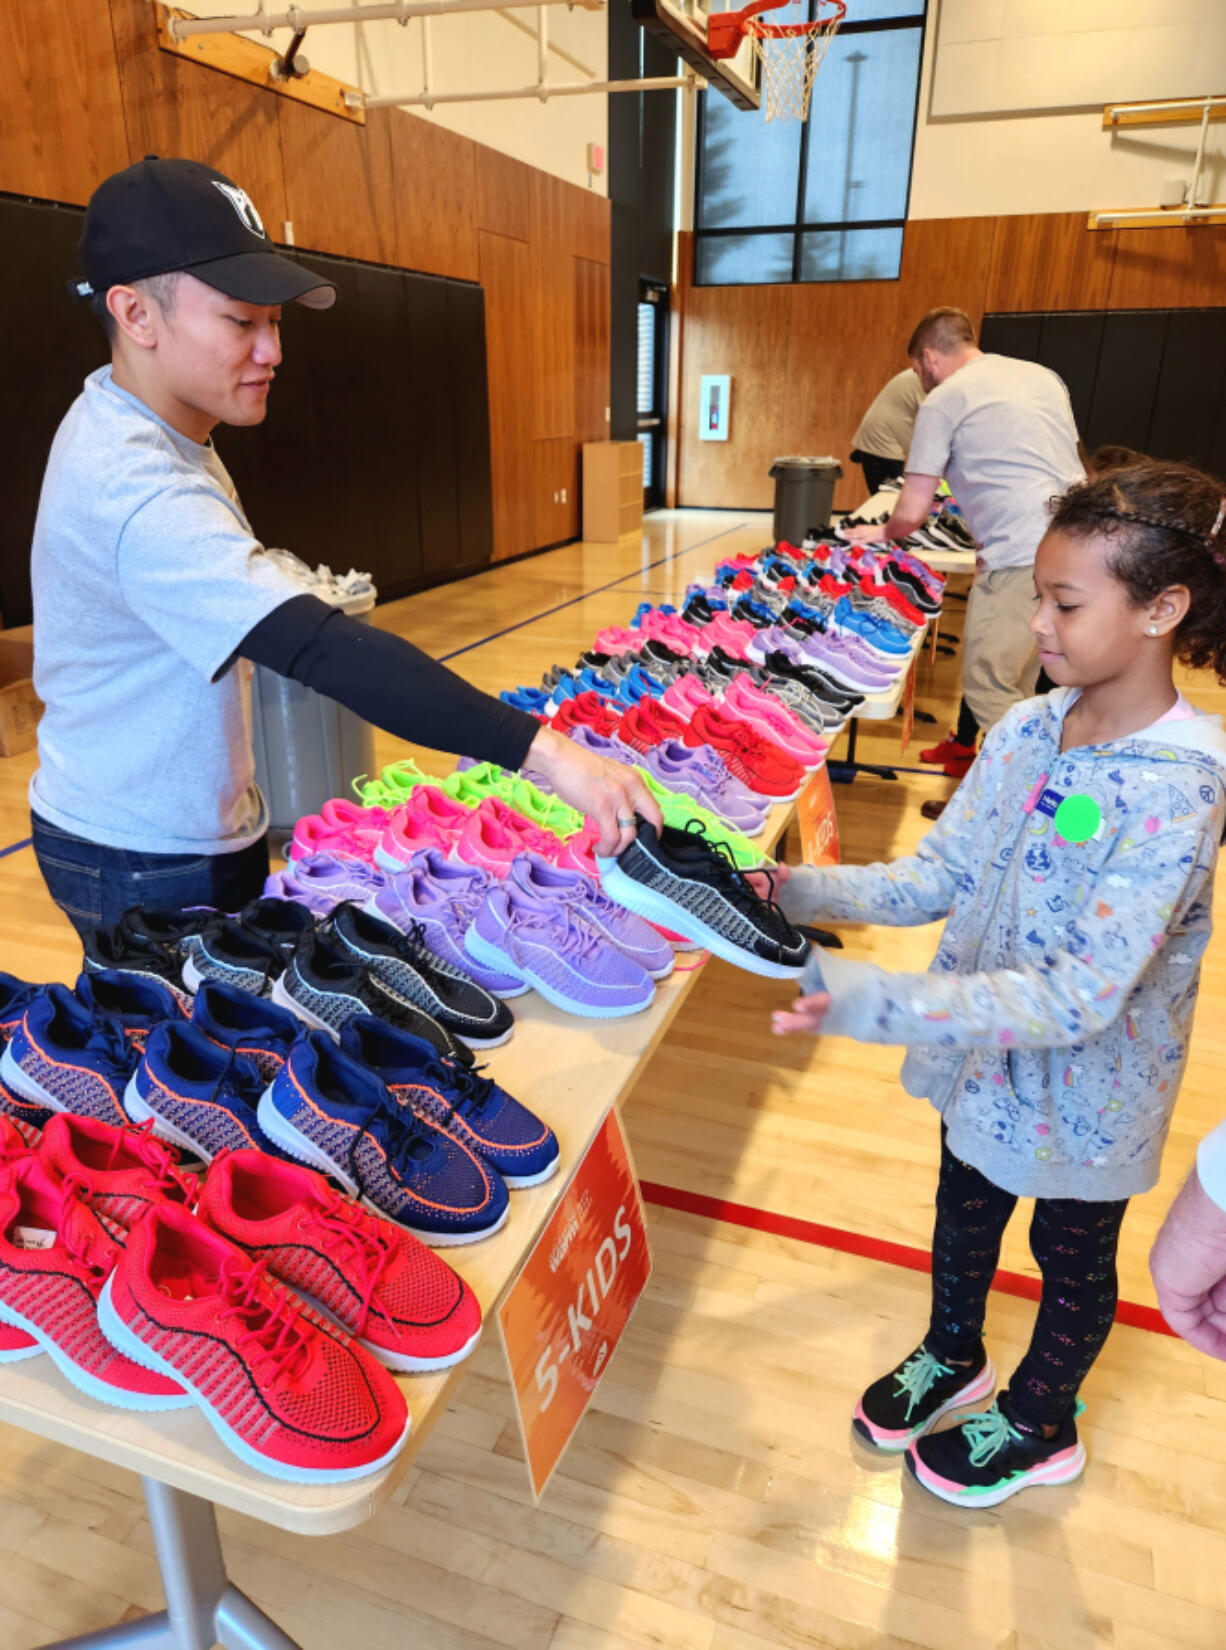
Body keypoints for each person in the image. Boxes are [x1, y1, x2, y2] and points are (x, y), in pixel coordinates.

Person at [30, 157, 658, 934]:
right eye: (240, 321)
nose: (273, 353)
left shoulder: (151, 421)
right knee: (187, 1046)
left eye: (276, 323)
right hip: (137, 850)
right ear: (136, 313)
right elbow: (322, 650)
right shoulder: (133, 481)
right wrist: (552, 757)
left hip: (177, 820)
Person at [765, 459, 1226, 1507]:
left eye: (1065, 603)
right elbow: (940, 874)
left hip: (1087, 1090)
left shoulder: (1181, 784)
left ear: (1162, 609)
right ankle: (950, 1350)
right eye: (1035, 595)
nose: (1039, 624)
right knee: (961, 1208)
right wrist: (789, 888)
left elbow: (1078, 997)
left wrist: (877, 1002)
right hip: (982, 1061)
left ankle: (1038, 1417)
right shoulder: (1023, 727)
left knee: (1068, 1255)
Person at [843, 308, 1085, 805]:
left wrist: (880, 532)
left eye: (917, 370)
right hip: (1081, 546)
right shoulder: (1042, 377)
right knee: (1023, 687)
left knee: (991, 689)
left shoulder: (946, 399)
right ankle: (1028, 797)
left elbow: (911, 511)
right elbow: (1059, 464)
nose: (920, 381)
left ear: (929, 358)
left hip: (1023, 555)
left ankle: (1012, 815)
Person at [849, 367, 925, 497]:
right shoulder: (929, 377)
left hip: (883, 438)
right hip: (883, 441)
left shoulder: (927, 372)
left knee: (890, 500)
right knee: (888, 501)